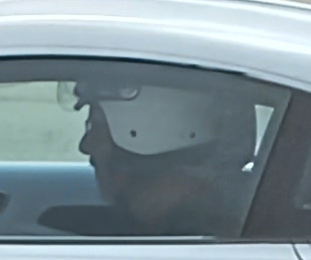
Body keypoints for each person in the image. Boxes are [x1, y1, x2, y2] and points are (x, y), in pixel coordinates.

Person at [78, 74, 261, 237]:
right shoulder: (198, 223)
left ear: (146, 132)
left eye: (96, 127)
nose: (85, 146)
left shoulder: (205, 236)